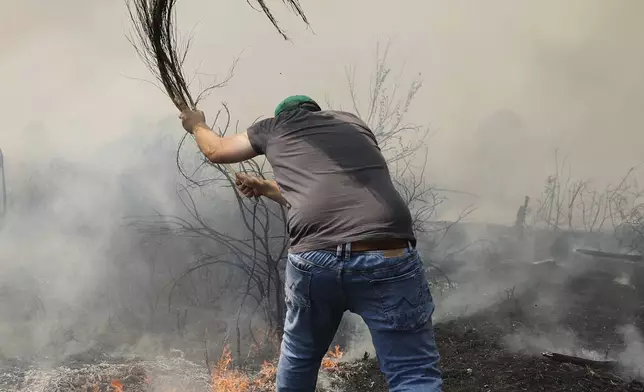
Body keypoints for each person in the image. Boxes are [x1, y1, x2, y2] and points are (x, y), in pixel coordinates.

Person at [179, 95, 442, 392]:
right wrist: (267, 188)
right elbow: (333, 187)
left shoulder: (275, 127)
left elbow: (216, 149)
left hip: (316, 261)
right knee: (412, 373)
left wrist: (197, 123)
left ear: (283, 116)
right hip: (387, 251)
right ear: (316, 112)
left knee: (300, 358)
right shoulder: (351, 123)